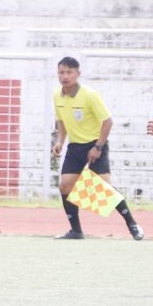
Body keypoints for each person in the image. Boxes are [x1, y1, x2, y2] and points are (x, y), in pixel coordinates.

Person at [52, 56, 143, 240]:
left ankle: (132, 225)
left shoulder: (89, 95)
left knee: (104, 188)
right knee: (65, 186)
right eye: (62, 72)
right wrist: (60, 141)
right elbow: (61, 122)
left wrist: (98, 147)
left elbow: (107, 121)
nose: (65, 76)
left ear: (78, 74)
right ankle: (76, 231)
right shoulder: (57, 96)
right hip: (75, 147)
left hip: (95, 145)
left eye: (69, 72)